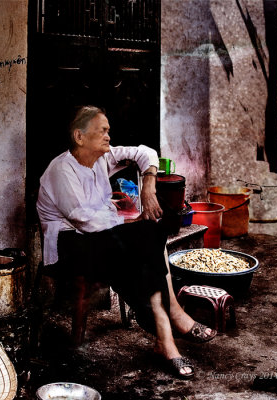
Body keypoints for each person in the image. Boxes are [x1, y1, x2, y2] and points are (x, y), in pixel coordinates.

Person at [36, 105, 216, 379]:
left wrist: (148, 185)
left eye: (109, 130)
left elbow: (145, 152)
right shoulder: (61, 170)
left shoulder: (101, 159)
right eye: (102, 131)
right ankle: (170, 324)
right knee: (145, 239)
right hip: (68, 247)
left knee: (149, 236)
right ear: (80, 136)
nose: (109, 136)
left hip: (100, 239)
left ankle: (165, 334)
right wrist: (129, 224)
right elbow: (85, 221)